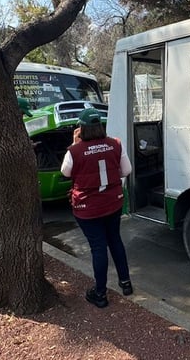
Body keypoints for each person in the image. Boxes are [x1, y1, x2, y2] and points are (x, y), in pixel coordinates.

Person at [60, 108, 133, 308]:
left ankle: (100, 293)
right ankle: (126, 283)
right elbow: (126, 170)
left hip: (87, 208)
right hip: (113, 202)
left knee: (98, 247)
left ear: (81, 128)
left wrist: (75, 144)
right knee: (115, 240)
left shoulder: (75, 150)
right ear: (100, 125)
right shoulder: (115, 143)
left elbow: (65, 172)